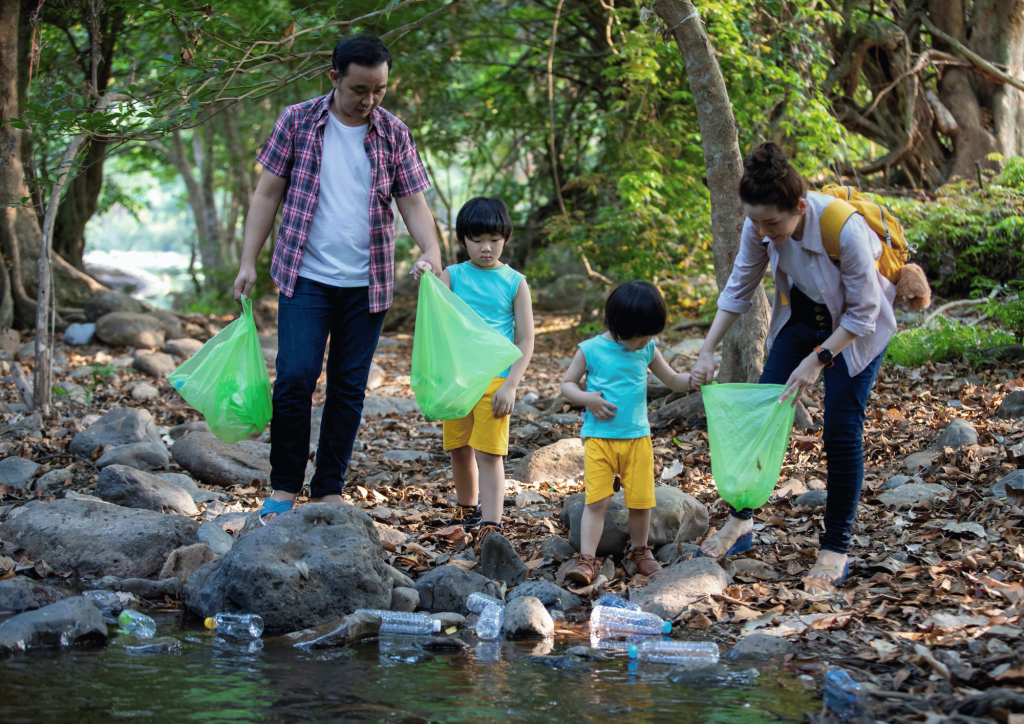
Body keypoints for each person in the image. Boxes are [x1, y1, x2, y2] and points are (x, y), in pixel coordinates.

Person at [232, 35, 442, 523]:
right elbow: (267, 195)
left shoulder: (393, 132)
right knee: (296, 379)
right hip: (304, 275)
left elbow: (413, 202)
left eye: (380, 90)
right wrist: (248, 261)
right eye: (359, 89)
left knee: (348, 387)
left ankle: (328, 488)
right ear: (334, 78)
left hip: (367, 283)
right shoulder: (298, 120)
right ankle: (284, 487)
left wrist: (430, 251)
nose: (369, 100)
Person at [691, 142, 897, 583]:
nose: (764, 232)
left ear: (800, 206)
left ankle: (835, 546)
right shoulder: (758, 226)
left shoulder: (844, 228)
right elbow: (739, 287)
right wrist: (708, 349)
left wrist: (819, 360)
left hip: (855, 331)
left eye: (772, 223)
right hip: (804, 317)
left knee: (840, 431)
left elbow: (866, 313)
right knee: (763, 413)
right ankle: (741, 518)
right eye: (755, 221)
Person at [560, 281, 692, 583]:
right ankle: (587, 559)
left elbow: (671, 379)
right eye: (641, 336)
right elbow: (567, 384)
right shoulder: (591, 349)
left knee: (641, 501)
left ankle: (640, 550)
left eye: (650, 336)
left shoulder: (647, 348)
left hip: (637, 440)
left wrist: (692, 380)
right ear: (619, 326)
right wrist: (587, 398)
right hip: (600, 441)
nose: (646, 341)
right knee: (596, 502)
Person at [439, 197, 534, 548]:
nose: (486, 247)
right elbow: (435, 319)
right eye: (477, 239)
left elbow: (526, 340)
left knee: (490, 453)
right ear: (463, 239)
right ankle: (467, 509)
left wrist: (510, 385)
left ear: (505, 238)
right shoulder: (452, 276)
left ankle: (491, 523)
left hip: (495, 379)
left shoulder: (514, 282)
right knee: (459, 448)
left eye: (494, 238)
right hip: (459, 380)